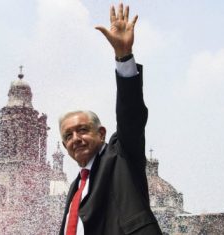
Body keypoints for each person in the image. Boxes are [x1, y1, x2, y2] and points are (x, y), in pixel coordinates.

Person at [58, 3, 162, 235]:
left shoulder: (121, 155)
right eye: (68, 136)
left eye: (82, 129)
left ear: (101, 133)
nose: (76, 138)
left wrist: (123, 56)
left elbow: (131, 115)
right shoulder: (75, 187)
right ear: (65, 147)